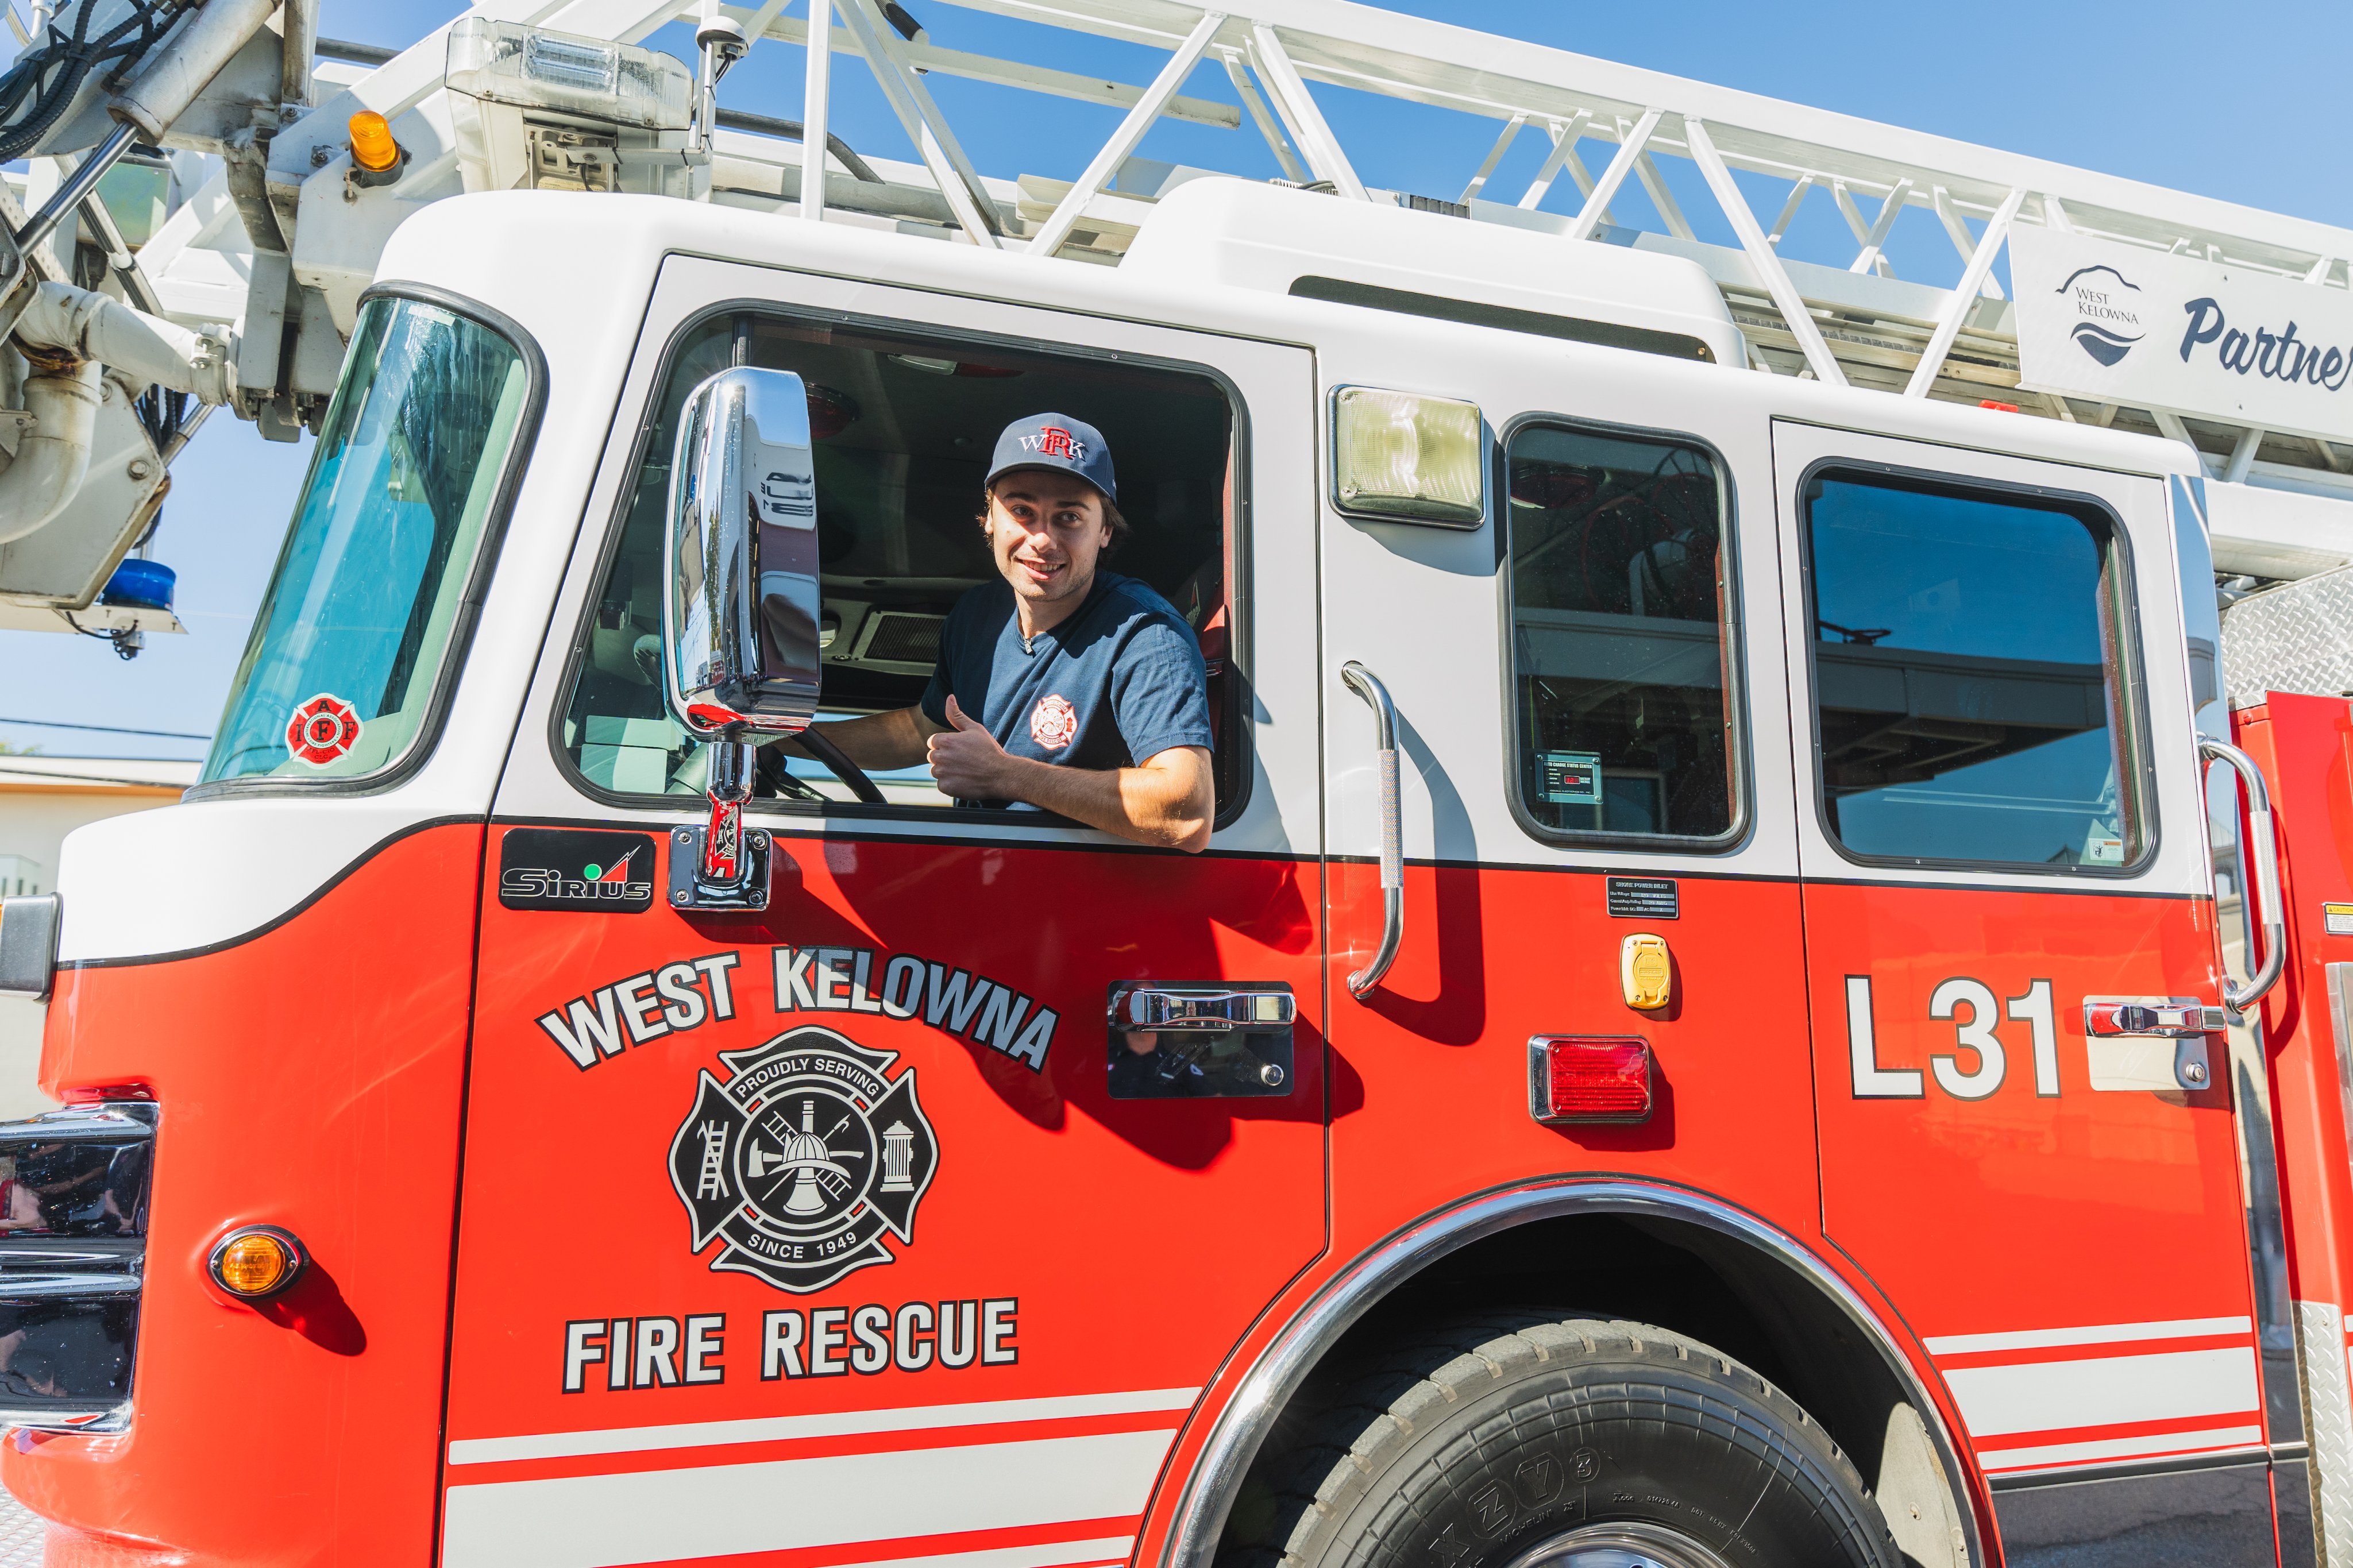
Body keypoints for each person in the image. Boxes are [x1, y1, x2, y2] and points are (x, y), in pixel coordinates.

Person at [791, 414, 1215, 852]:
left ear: (1105, 531)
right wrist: (787, 738)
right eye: (1022, 511)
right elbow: (924, 731)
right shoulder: (977, 615)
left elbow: (1187, 814)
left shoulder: (1146, 634)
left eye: (1068, 517)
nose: (1042, 540)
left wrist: (1005, 774)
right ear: (989, 518)